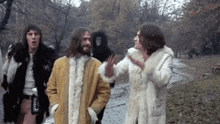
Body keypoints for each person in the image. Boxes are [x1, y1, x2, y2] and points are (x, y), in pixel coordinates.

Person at [98, 23, 174, 124]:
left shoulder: (165, 56)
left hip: (152, 114)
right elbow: (117, 70)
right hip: (134, 113)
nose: (134, 39)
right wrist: (109, 69)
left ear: (148, 39)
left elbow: (163, 80)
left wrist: (145, 67)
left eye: (138, 36)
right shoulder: (132, 54)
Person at [47, 28, 111, 124]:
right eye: (84, 39)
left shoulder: (97, 65)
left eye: (89, 39)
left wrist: (93, 110)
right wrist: (56, 105)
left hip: (85, 120)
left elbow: (105, 92)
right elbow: (51, 88)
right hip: (62, 119)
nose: (88, 43)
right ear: (75, 41)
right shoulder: (59, 64)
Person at [1, 24, 57, 124]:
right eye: (30, 34)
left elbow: (55, 76)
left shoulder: (47, 57)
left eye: (36, 34)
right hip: (16, 100)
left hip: (35, 101)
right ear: (26, 37)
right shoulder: (17, 54)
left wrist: (49, 87)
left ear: (40, 37)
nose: (33, 37)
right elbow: (5, 75)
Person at [91, 31, 115, 124]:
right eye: (96, 39)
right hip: (92, 80)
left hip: (104, 80)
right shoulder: (90, 52)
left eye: (100, 40)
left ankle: (99, 119)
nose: (98, 41)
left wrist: (111, 81)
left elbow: (113, 68)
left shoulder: (109, 52)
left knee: (102, 101)